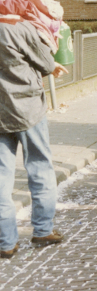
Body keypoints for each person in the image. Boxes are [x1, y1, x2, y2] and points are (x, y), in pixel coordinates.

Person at [0, 17, 68, 259]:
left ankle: (6, 242)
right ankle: (42, 229)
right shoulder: (17, 27)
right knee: (40, 167)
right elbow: (45, 59)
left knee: (0, 177)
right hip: (28, 109)